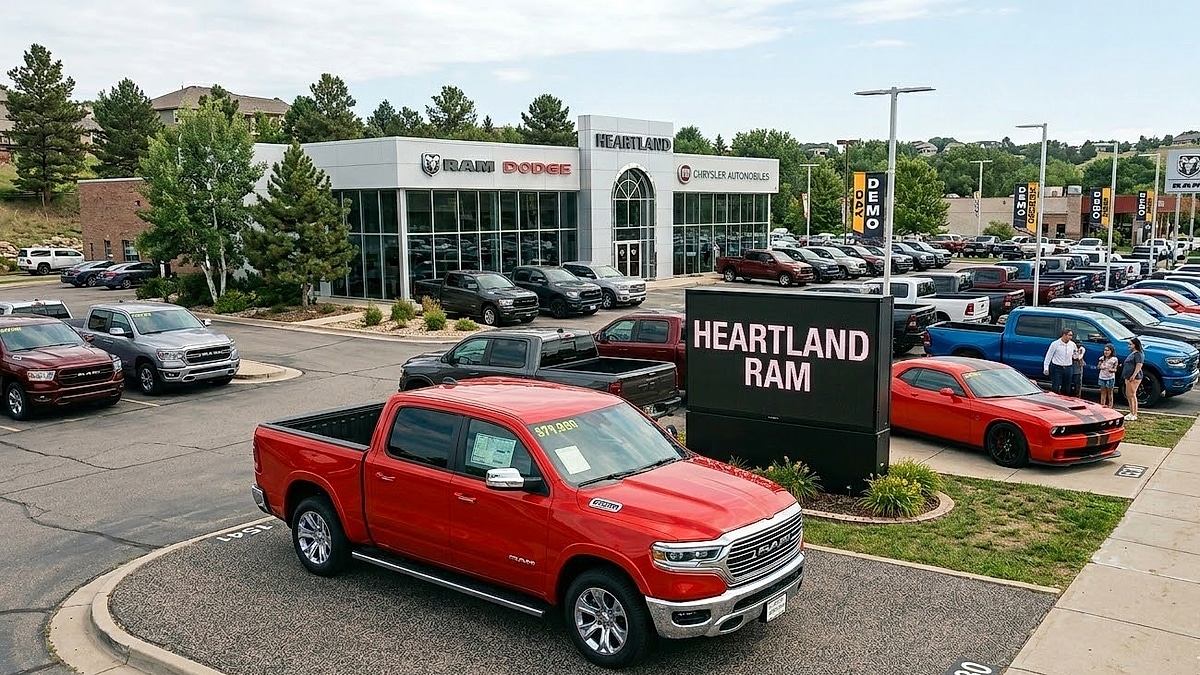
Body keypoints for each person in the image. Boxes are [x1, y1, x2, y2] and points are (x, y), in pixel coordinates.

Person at [1043, 328, 1077, 395]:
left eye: (1071, 335)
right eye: (1069, 335)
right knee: (1056, 386)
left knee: (1067, 388)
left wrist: (1077, 356)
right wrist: (1046, 368)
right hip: (1057, 367)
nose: (1070, 337)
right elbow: (1049, 356)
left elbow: (1074, 354)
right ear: (1064, 335)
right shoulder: (1055, 344)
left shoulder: (1072, 344)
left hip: (1068, 367)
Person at [1122, 337, 1145, 421]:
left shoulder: (1138, 354)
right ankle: (1131, 411)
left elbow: (1139, 365)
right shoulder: (1132, 353)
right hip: (1127, 376)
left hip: (1134, 377)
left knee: (1132, 394)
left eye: (1130, 344)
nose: (1129, 345)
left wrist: (1134, 375)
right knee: (1128, 394)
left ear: (1135, 345)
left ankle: (1134, 413)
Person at [1097, 344, 1119, 408]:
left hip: (1110, 377)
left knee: (1110, 392)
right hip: (1102, 377)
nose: (1106, 352)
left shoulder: (1114, 359)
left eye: (1108, 350)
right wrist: (1100, 366)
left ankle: (1110, 405)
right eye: (1105, 350)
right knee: (1103, 392)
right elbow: (1098, 366)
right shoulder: (1101, 358)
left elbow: (1115, 369)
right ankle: (1102, 404)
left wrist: (1111, 370)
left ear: (1111, 351)